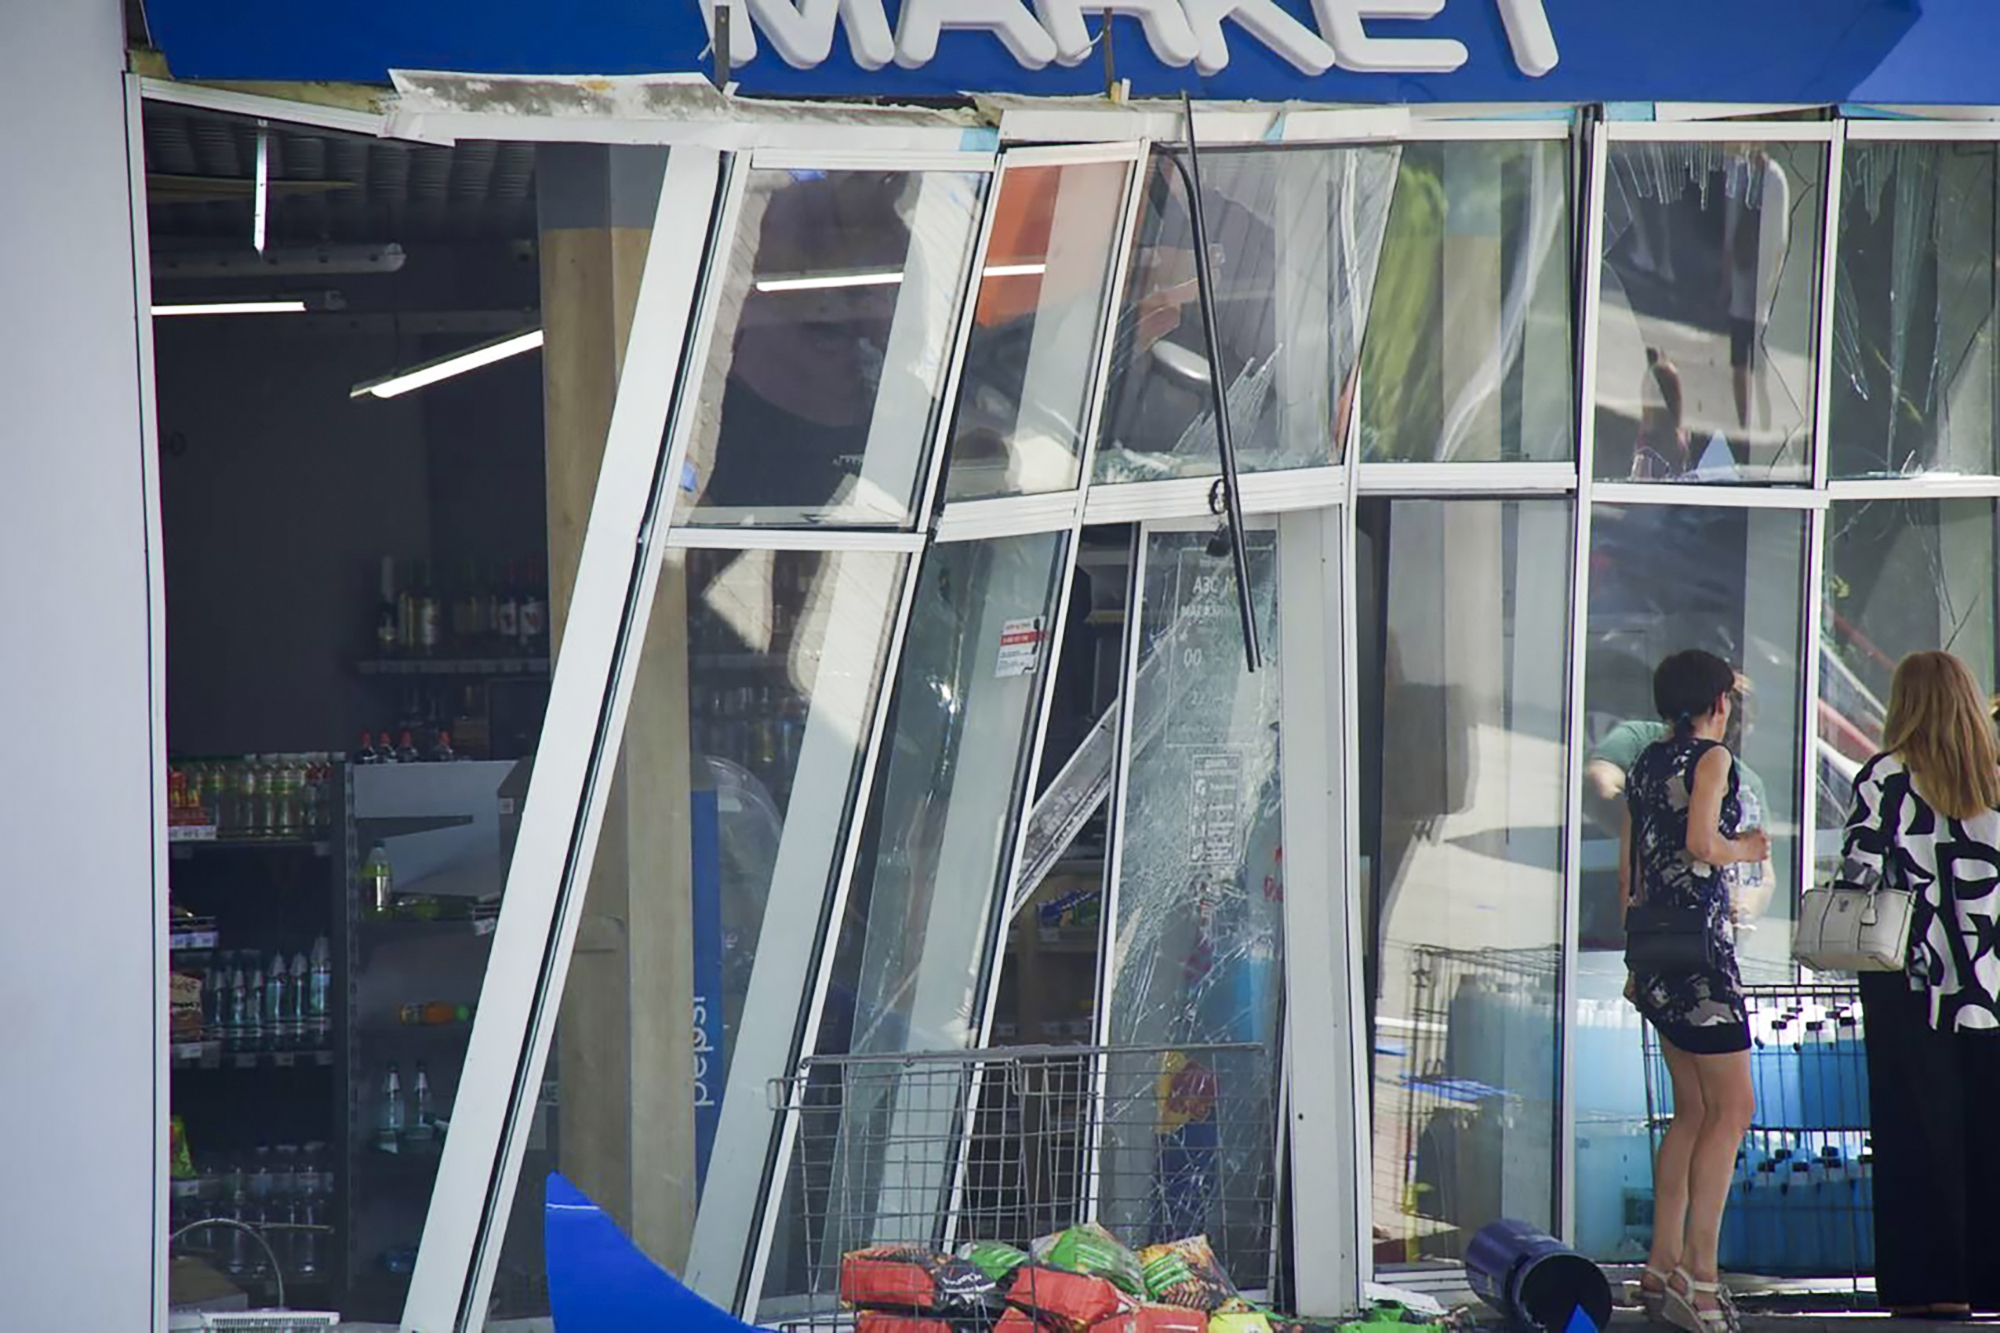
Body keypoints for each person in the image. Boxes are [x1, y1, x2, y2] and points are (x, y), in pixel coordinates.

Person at [1842, 650, 2000, 1318]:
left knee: (1916, 1127)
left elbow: (1859, 873)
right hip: (1990, 980)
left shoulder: (1886, 776)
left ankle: (1931, 1281)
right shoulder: (1993, 777)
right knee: (1988, 1127)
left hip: (1910, 979)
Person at [1622, 649, 1767, 1333]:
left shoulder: (1646, 763)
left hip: (1656, 953)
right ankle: (1701, 1277)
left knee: (1690, 1112)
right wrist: (1751, 846)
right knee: (1732, 1108)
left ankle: (1661, 1261)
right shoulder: (1712, 761)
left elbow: (1636, 865)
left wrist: (1635, 959)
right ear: (1715, 702)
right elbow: (1705, 842)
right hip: (1702, 960)